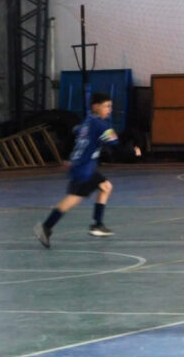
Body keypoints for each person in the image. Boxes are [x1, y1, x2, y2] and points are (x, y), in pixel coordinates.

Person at [34, 92, 140, 248]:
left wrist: (68, 158)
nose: (109, 109)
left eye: (110, 106)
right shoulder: (102, 125)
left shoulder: (87, 122)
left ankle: (97, 224)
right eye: (106, 106)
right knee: (72, 200)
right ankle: (46, 227)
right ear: (95, 107)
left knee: (106, 186)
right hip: (85, 169)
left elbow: (73, 135)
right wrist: (133, 152)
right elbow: (116, 147)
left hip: (82, 165)